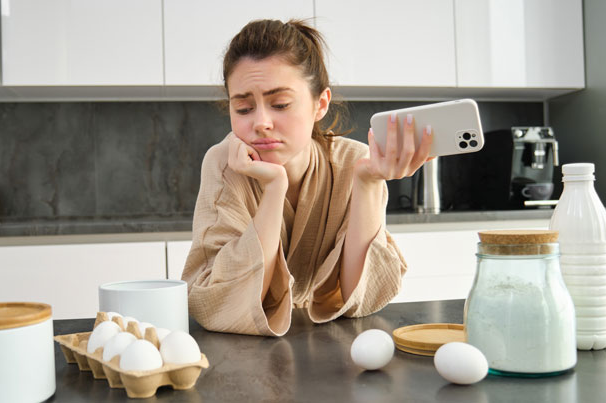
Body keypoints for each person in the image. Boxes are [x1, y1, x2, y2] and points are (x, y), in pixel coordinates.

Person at [182, 19, 433, 336]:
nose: (261, 123)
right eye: (244, 108)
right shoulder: (224, 164)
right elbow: (222, 303)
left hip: (332, 349)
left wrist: (368, 184)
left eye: (280, 104)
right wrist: (274, 189)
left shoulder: (355, 164)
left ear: (320, 104)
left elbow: (359, 298)